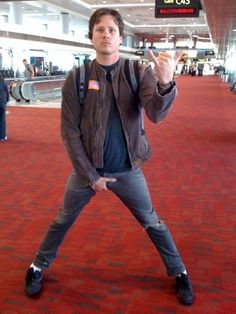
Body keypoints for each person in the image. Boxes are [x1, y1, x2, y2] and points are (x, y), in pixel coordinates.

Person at [24, 8, 194, 305]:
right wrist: (91, 177)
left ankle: (179, 272)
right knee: (62, 220)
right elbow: (70, 133)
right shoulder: (77, 79)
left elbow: (155, 114)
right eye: (99, 29)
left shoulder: (137, 72)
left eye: (111, 30)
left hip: (128, 170)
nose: (105, 34)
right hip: (86, 172)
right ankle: (37, 266)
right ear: (91, 36)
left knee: (153, 223)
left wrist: (165, 84)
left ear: (120, 37)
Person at [0, 74, 9, 142]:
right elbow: (7, 91)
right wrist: (7, 100)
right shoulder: (3, 81)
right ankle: (2, 136)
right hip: (2, 102)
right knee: (2, 120)